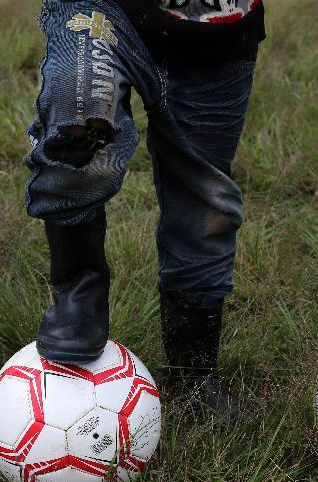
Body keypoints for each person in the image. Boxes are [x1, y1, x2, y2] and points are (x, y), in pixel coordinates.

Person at [23, 0, 265, 415]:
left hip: (219, 26)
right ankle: (79, 290)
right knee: (77, 122)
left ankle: (194, 373)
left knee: (204, 201)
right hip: (102, 9)